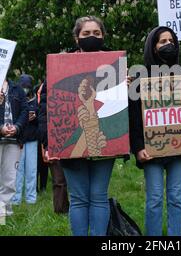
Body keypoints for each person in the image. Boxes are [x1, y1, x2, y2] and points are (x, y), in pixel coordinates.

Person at [42, 16, 116, 236]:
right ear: (77, 38)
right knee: (79, 198)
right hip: (69, 142)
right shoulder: (60, 66)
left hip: (105, 140)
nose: (92, 37)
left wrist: (125, 87)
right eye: (86, 34)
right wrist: (49, 143)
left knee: (99, 196)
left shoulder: (115, 66)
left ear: (103, 36)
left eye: (96, 33)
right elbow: (49, 106)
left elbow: (123, 110)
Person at [129, 26, 181, 236]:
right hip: (151, 150)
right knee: (154, 199)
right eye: (162, 41)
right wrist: (138, 147)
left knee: (176, 198)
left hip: (179, 149)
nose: (167, 44)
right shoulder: (140, 77)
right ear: (153, 46)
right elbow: (134, 117)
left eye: (171, 40)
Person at [38, 80, 69, 213]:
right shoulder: (50, 78)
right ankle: (61, 211)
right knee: (59, 179)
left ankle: (80, 210)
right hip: (55, 136)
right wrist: (46, 144)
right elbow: (43, 115)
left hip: (77, 135)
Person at [0, 78, 28, 216]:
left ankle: (3, 218)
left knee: (9, 181)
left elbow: (25, 111)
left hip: (13, 141)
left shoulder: (17, 89)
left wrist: (17, 127)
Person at [11, 74, 38, 205]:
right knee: (18, 170)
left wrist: (35, 116)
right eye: (23, 87)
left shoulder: (35, 99)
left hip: (32, 139)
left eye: (28, 87)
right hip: (19, 139)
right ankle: (16, 199)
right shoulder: (15, 98)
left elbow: (41, 117)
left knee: (32, 170)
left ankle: (31, 198)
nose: (26, 89)